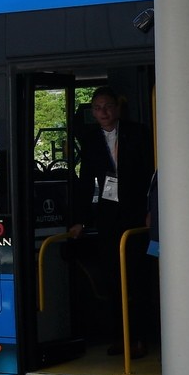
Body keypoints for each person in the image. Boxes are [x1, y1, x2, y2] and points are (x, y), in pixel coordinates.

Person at [67, 87, 157, 359]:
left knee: (137, 277)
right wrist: (80, 220)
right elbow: (86, 181)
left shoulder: (138, 133)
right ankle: (121, 337)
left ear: (117, 108)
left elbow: (153, 173)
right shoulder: (91, 140)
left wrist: (152, 209)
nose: (103, 112)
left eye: (107, 106)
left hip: (137, 213)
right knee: (113, 278)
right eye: (97, 108)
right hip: (109, 216)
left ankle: (140, 338)